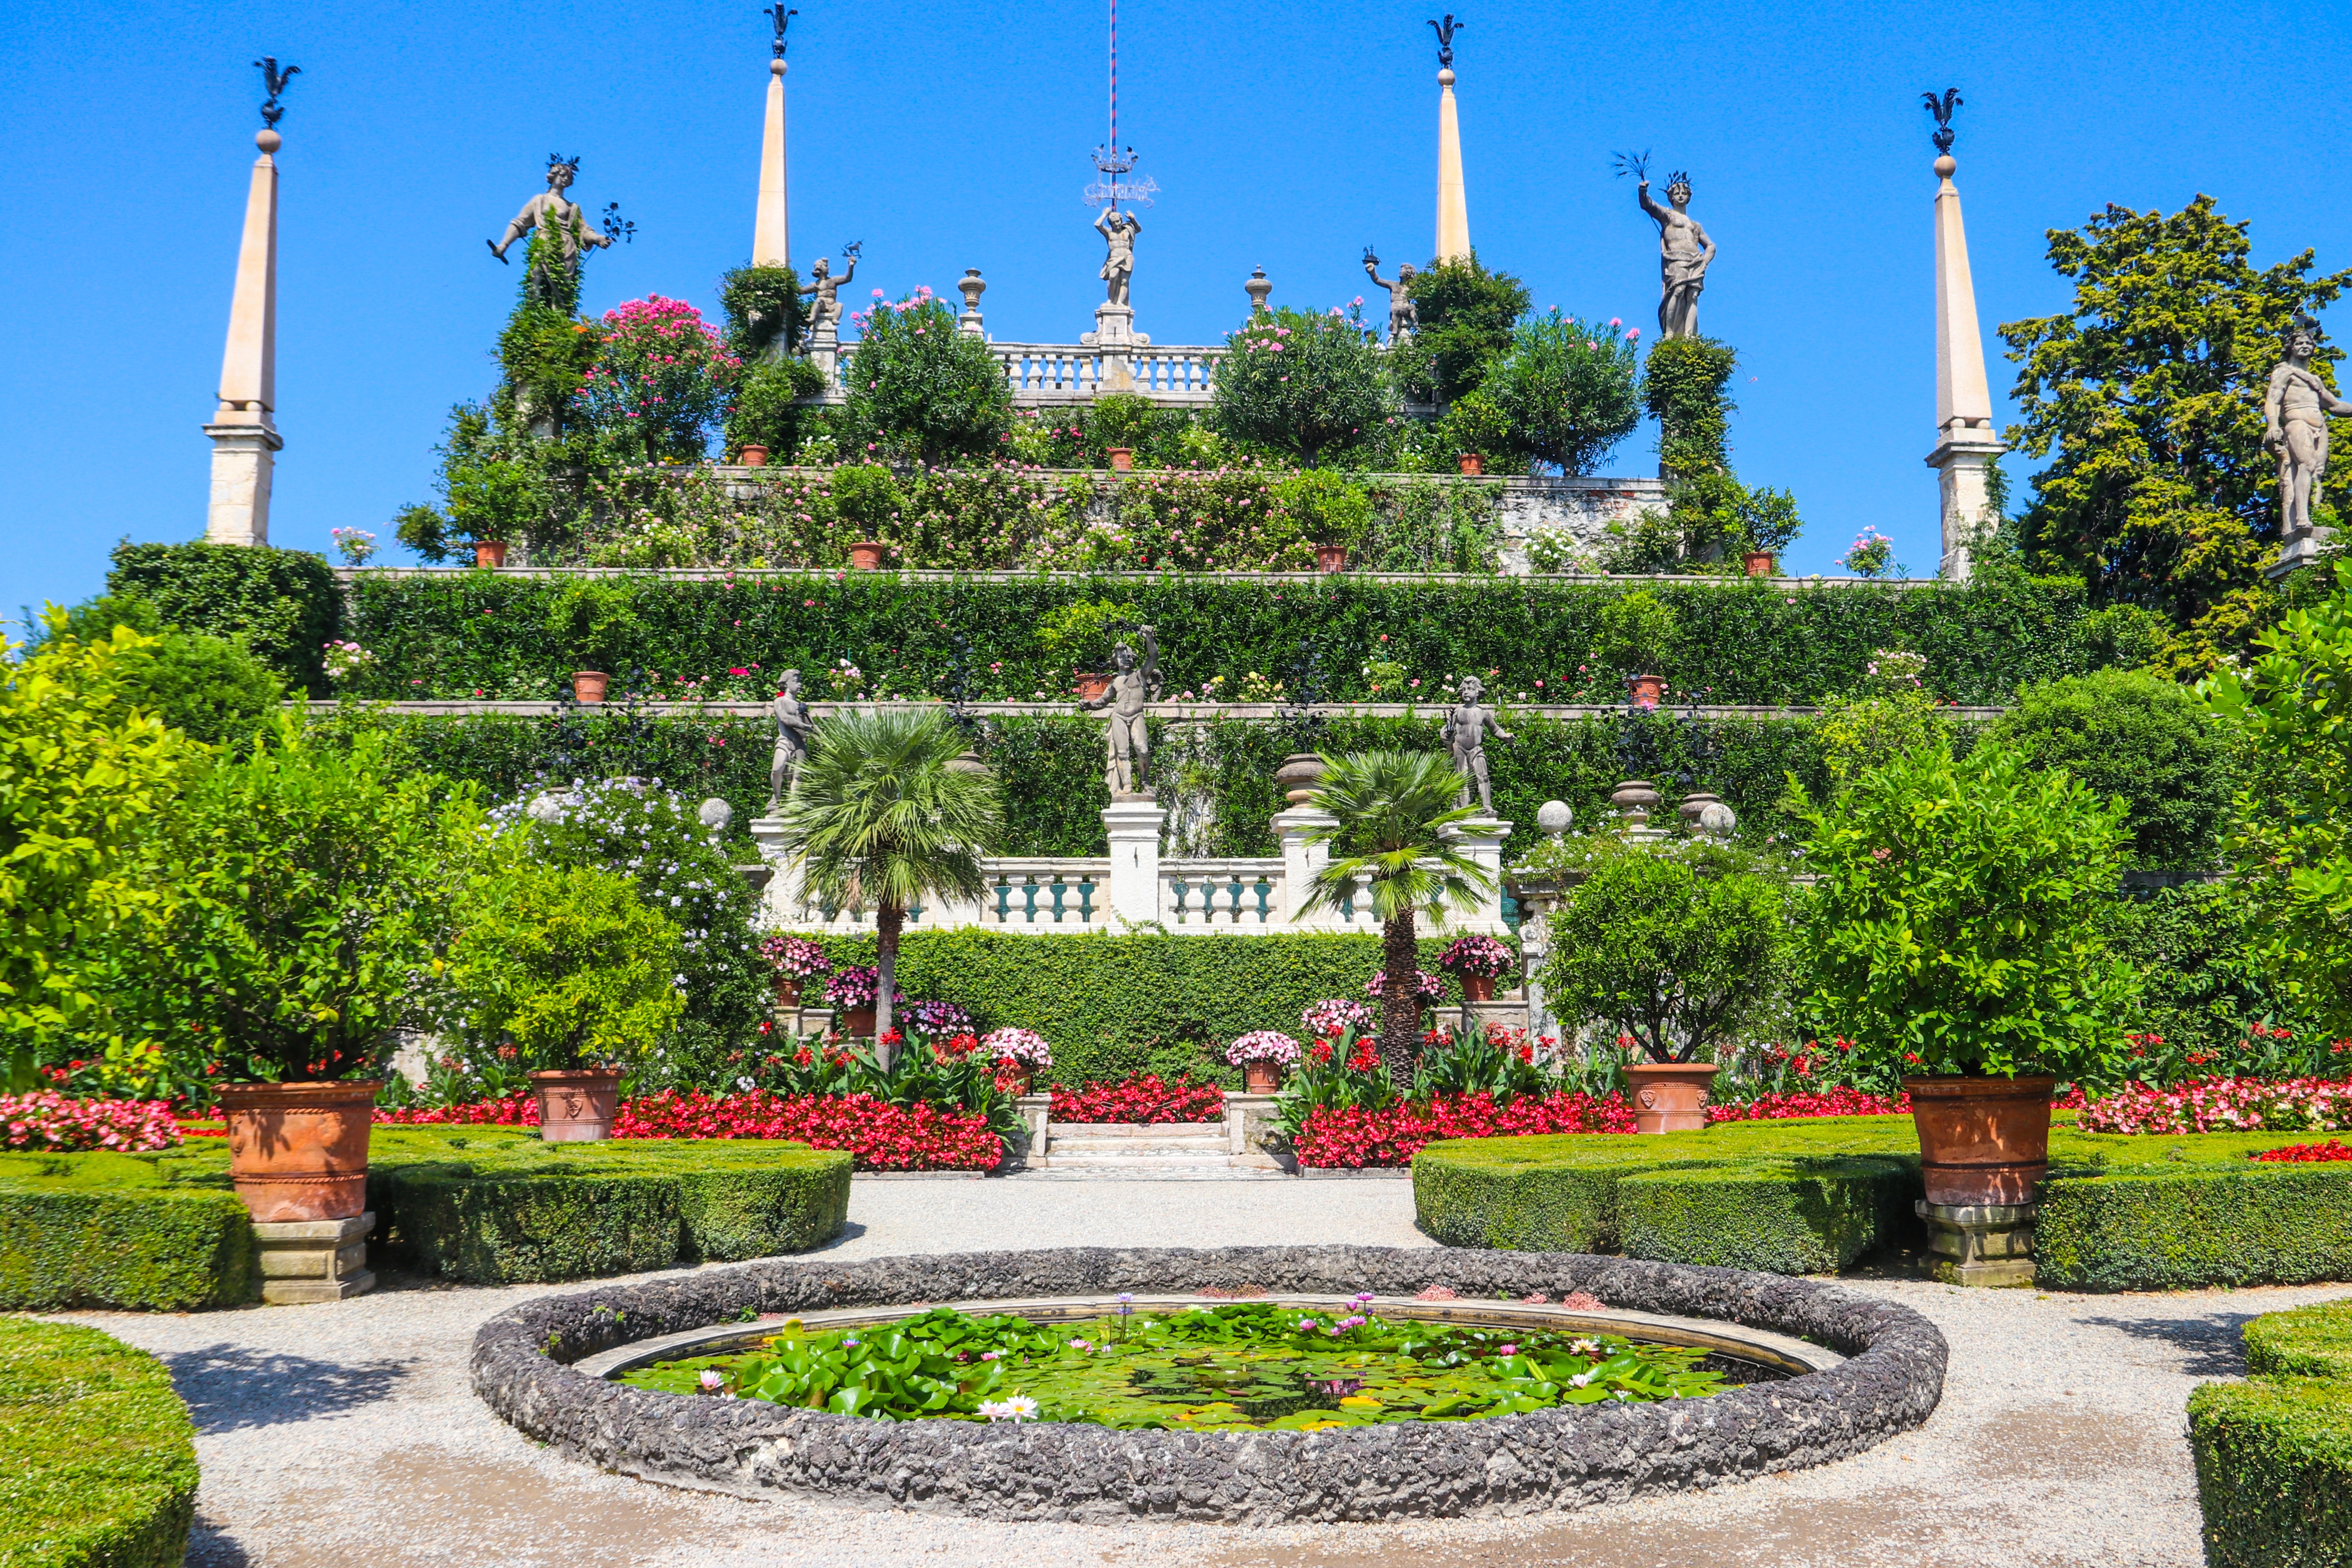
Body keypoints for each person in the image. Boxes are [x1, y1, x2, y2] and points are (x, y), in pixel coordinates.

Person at [2266, 316, 2352, 543]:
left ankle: (2304, 518)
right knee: (2306, 464)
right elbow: (2273, 399)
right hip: (2297, 424)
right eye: (2299, 344)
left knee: (2316, 473)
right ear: (2291, 347)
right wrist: (2274, 425)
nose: (2304, 347)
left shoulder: (2314, 379)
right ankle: (2302, 520)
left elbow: (2335, 406)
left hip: (2320, 428)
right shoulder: (2284, 372)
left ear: (2313, 348)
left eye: (2308, 344)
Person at [1079, 628, 1160, 794]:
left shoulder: (1141, 675)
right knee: (1123, 753)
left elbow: (1153, 657)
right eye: (1122, 657)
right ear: (1116, 661)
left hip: (1137, 716)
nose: (1127, 660)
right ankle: (1127, 786)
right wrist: (1088, 704)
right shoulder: (1115, 682)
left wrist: (1149, 638)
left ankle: (1145, 782)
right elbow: (1102, 701)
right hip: (1119, 717)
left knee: (1143, 750)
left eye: (1129, 656)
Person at [1636, 172, 1715, 341]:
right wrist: (1643, 192)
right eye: (1677, 193)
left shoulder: (1695, 225)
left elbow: (1711, 246)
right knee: (1678, 291)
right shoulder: (1668, 216)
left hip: (1695, 261)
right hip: (1677, 259)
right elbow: (1649, 206)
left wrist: (1704, 262)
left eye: (1684, 193)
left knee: (1693, 296)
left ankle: (1689, 336)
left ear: (1688, 197)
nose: (1681, 196)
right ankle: (1670, 333)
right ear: (1671, 197)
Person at [1441, 676, 1512, 815]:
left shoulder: (1483, 713)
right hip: (1459, 748)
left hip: (1476, 749)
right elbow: (1447, 728)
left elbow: (1496, 730)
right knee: (1462, 779)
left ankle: (1487, 807)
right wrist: (1445, 735)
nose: (1466, 692)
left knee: (1483, 776)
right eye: (1464, 690)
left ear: (1478, 692)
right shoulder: (1457, 712)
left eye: (1471, 689)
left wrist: (1505, 737)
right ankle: (1463, 808)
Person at [767, 670, 812, 809]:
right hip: (785, 741)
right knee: (777, 770)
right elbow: (786, 719)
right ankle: (776, 796)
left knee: (798, 776)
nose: (800, 685)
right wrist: (805, 726)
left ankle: (794, 804)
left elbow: (812, 725)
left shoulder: (800, 705)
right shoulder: (780, 701)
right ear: (786, 683)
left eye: (801, 682)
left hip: (800, 744)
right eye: (796, 681)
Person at [1363, 250, 1419, 343]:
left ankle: (1416, 324)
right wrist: (1372, 272)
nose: (1400, 272)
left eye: (1403, 270)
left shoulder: (1411, 287)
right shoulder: (1393, 285)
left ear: (1408, 273)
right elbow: (1378, 280)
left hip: (1406, 307)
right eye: (1400, 270)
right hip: (1395, 308)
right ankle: (1395, 329)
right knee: (1396, 310)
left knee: (1413, 307)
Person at [1096, 206, 1142, 308]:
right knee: (1113, 277)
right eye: (1114, 223)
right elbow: (1097, 225)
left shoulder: (1127, 231)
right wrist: (1105, 214)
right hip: (1114, 258)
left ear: (1121, 221)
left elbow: (1138, 229)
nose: (1117, 224)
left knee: (1124, 281)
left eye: (1118, 222)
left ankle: (1120, 302)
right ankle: (1111, 300)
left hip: (1127, 257)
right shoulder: (1109, 233)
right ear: (1111, 224)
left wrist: (1133, 219)